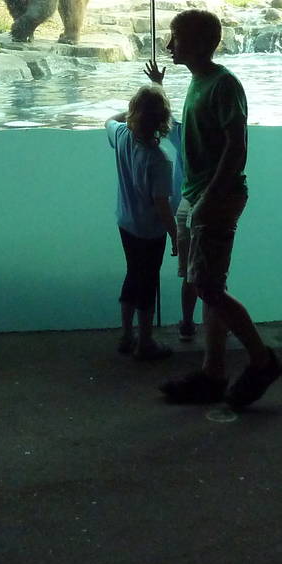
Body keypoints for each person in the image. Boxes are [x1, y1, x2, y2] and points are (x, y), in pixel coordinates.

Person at [155, 9, 282, 408]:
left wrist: (210, 196)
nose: (168, 44)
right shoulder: (198, 81)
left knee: (209, 286)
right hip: (197, 195)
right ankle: (213, 373)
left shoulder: (225, 84)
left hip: (215, 197)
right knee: (206, 287)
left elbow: (236, 146)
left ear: (195, 42)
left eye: (175, 37)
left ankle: (262, 360)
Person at [105, 61, 178, 360]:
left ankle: (126, 335)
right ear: (162, 121)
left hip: (126, 223)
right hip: (150, 231)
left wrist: (137, 108)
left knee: (133, 275)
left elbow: (110, 119)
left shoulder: (122, 136)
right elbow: (162, 205)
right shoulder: (160, 160)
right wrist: (176, 236)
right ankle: (145, 342)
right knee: (148, 282)